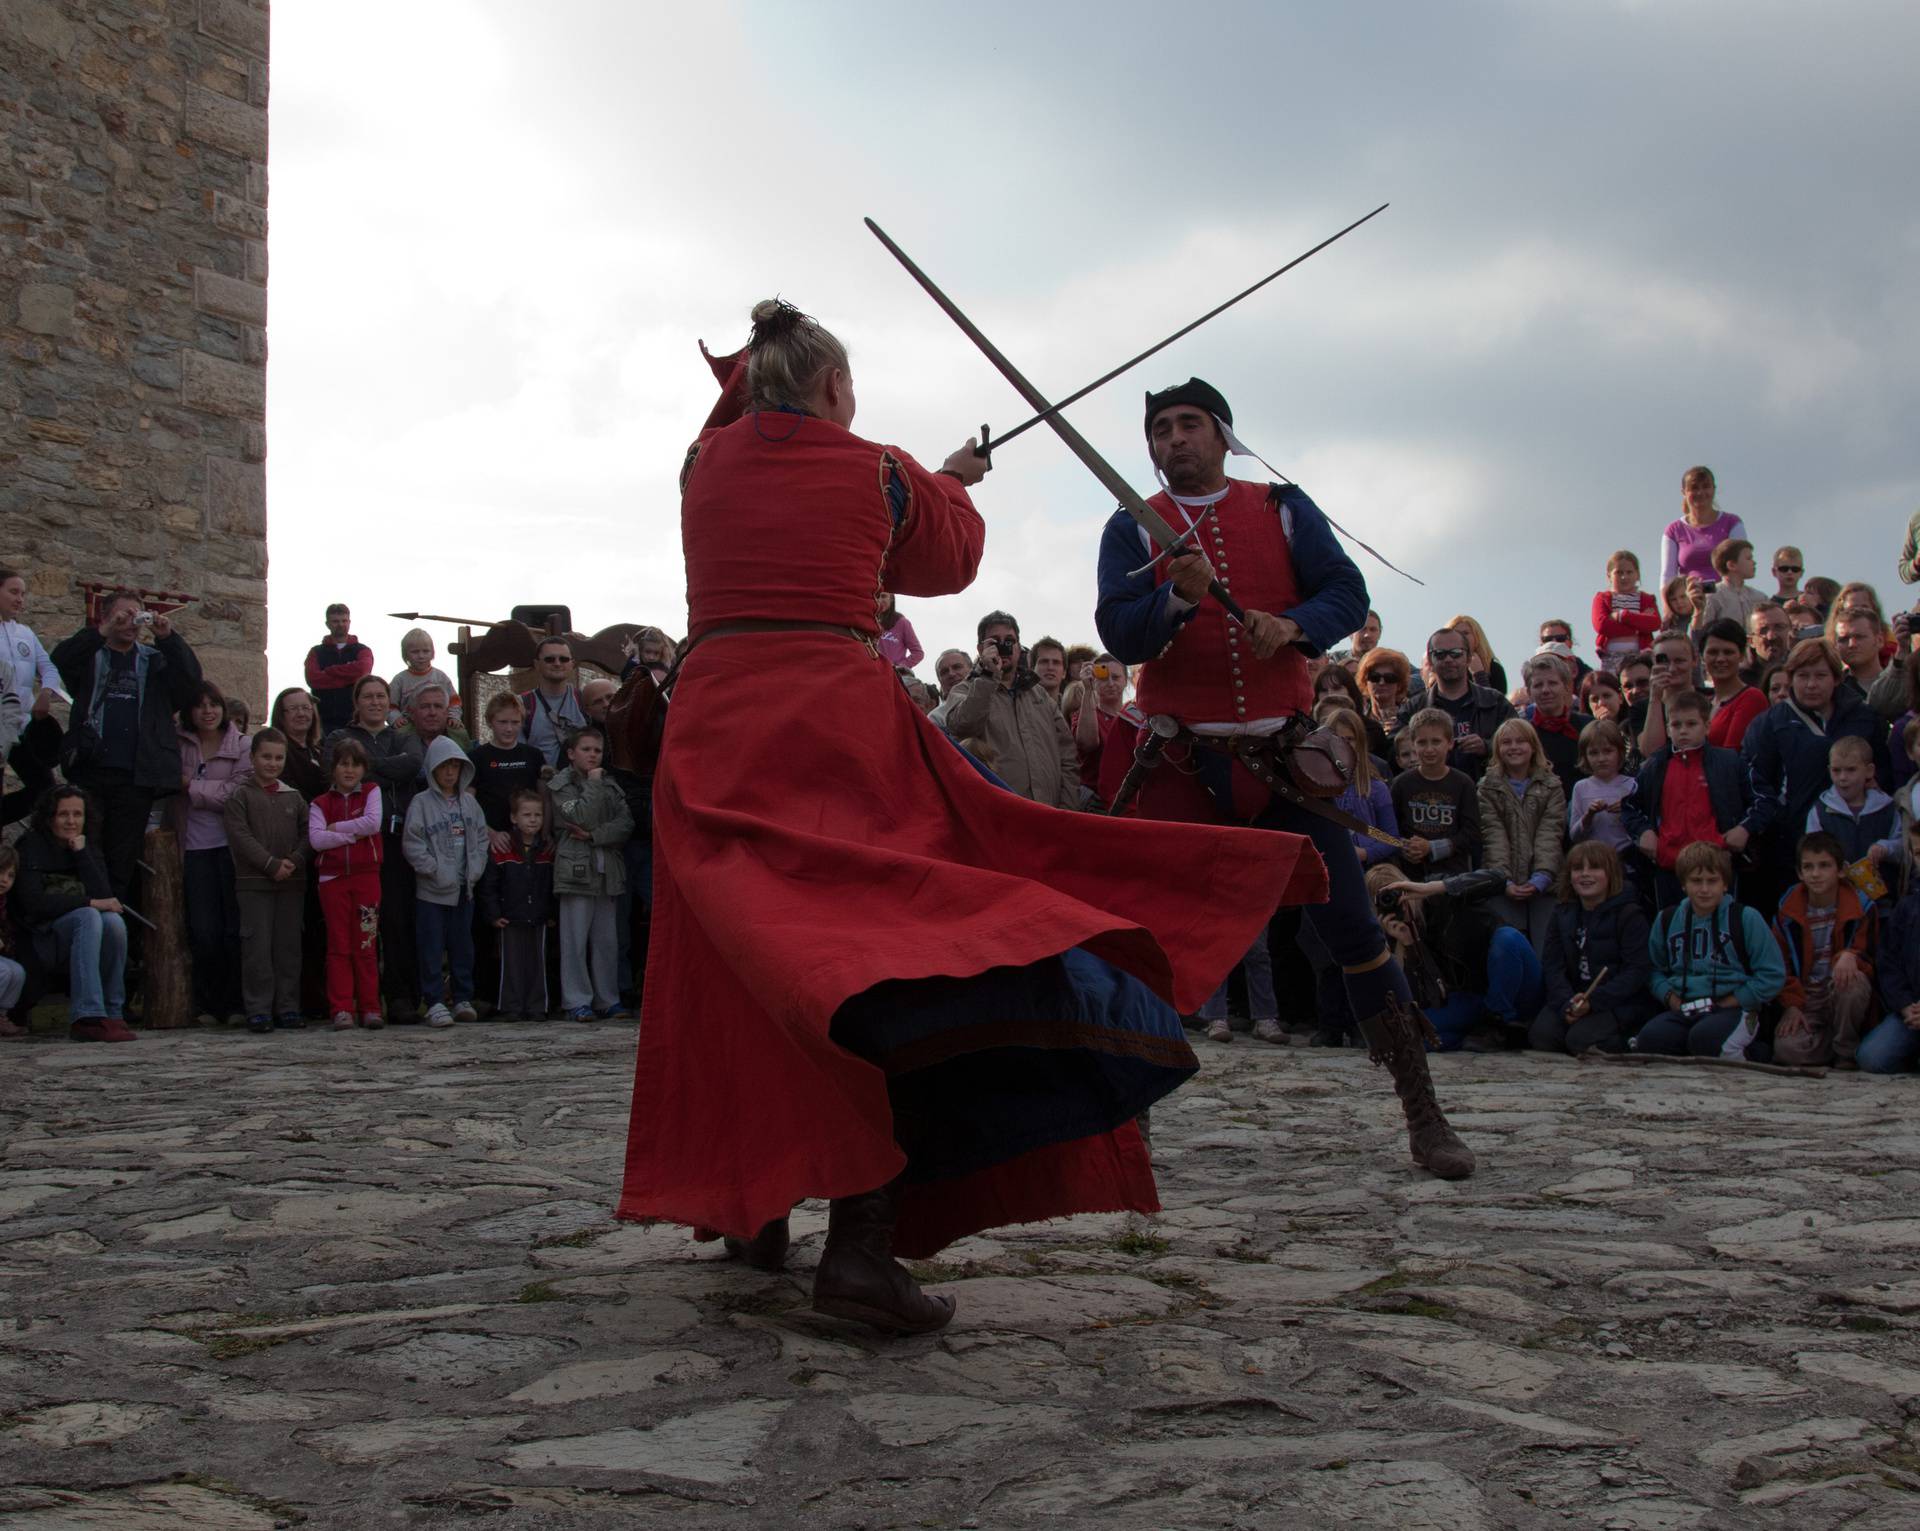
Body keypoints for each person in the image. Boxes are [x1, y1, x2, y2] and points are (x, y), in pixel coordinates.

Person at [621, 309, 1312, 1335]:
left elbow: (762, 453)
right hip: (831, 722)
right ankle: (859, 1242)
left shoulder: (697, 465)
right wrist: (942, 483)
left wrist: (923, 473)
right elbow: (956, 556)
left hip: (715, 723)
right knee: (882, 954)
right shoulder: (878, 471)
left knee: (738, 958)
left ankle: (753, 1206)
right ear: (834, 392)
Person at [1097, 377, 1474, 1178]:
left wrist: (1296, 625)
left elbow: (1347, 592)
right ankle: (1129, 1127)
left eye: (1189, 424)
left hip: (1285, 764)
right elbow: (1118, 630)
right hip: (1179, 762)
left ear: (1223, 434)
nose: (1173, 440)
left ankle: (1423, 1112)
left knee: (1355, 933)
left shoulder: (1282, 507)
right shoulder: (1132, 528)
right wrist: (1174, 599)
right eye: (1160, 429)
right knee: (1146, 941)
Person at [51, 592, 203, 905]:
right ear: (107, 617)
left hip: (137, 776)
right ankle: (87, 914)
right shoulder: (91, 657)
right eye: (122, 615)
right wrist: (104, 631)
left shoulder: (153, 659)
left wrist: (168, 638)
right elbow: (60, 661)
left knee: (122, 858)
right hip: (91, 769)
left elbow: (190, 682)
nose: (130, 622)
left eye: (136, 615)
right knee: (85, 847)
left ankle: (113, 923)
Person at [1743, 638, 1892, 905]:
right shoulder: (1770, 724)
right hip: (1793, 850)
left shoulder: (1865, 719)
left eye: (1820, 675)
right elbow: (1756, 783)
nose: (1811, 684)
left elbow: (1884, 777)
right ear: (1791, 679)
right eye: (1802, 676)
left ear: (1836, 678)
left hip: (1859, 845)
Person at [323, 675, 424, 1020]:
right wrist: (386, 769)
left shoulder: (404, 737)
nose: (375, 702)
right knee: (351, 930)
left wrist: (365, 765)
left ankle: (399, 999)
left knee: (396, 921)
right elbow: (334, 769)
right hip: (352, 843)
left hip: (394, 842)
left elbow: (411, 764)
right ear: (357, 702)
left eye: (381, 696)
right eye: (368, 696)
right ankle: (351, 1002)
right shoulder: (340, 737)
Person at [1635, 842, 1782, 1058]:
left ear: (1725, 884)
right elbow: (1654, 970)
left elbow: (1772, 975)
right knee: (1650, 1040)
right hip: (1685, 1007)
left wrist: (1730, 1001)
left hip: (1733, 1006)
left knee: (1704, 1039)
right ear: (1684, 884)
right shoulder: (1667, 919)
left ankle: (1754, 1051)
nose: (1704, 889)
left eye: (1712, 881)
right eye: (1696, 881)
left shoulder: (1746, 918)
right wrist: (1670, 998)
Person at [1372, 866, 1542, 1051]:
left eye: (1397, 893)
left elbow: (1499, 878)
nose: (1397, 902)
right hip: (1474, 998)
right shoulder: (1395, 932)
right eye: (1386, 899)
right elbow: (1428, 999)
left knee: (1507, 937)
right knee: (1403, 1036)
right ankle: (1483, 1038)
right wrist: (1409, 944)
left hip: (1513, 983)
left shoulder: (1439, 892)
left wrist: (1434, 888)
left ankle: (1498, 1023)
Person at [14, 785, 133, 1041]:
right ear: (50, 817)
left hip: (86, 936)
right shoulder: (31, 846)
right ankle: (87, 1016)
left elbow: (106, 896)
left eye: (77, 814)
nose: (71, 821)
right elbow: (33, 902)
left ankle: (113, 1013)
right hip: (43, 937)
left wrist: (81, 854)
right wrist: (89, 903)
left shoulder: (88, 847)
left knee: (113, 922)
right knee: (88, 915)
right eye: (63, 814)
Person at [1623, 690, 1756, 909]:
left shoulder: (1729, 762)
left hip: (1716, 867)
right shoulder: (1655, 766)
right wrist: (1644, 832)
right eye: (1676, 725)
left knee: (1720, 931)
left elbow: (1762, 800)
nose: (1683, 731)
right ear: (1667, 729)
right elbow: (1629, 807)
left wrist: (1745, 829)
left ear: (1707, 725)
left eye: (1691, 724)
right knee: (1673, 931)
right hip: (1669, 867)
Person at [942, 612, 1081, 808]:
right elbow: (961, 728)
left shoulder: (1040, 696)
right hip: (998, 816)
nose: (1003, 647)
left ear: (1018, 647)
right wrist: (989, 677)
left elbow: (1068, 757)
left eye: (1010, 641)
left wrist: (1067, 809)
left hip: (1050, 816)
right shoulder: (964, 690)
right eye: (995, 642)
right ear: (981, 648)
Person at [1527, 841, 1653, 1055]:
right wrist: (1566, 1003)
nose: (1585, 874)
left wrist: (1593, 1002)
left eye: (1594, 868)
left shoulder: (1630, 914)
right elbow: (1552, 965)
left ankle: (1629, 1038)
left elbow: (1636, 971)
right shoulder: (1562, 913)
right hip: (1575, 996)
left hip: (1616, 1002)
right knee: (1542, 1037)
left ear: (1610, 873)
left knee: (1580, 1041)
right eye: (1578, 869)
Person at [224, 727, 310, 1034]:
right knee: (257, 948)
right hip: (254, 884)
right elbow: (240, 838)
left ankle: (288, 1007)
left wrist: (294, 861)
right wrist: (270, 864)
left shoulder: (294, 797)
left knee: (288, 948)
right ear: (252, 758)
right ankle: (258, 1009)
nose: (272, 764)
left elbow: (307, 834)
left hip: (291, 884)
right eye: (266, 757)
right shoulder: (240, 796)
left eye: (278, 758)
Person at [172, 680, 247, 1026]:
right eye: (200, 705)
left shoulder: (241, 745)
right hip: (193, 847)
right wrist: (211, 789)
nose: (208, 711)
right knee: (203, 932)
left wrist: (194, 787)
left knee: (234, 929)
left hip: (230, 848)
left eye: (213, 704)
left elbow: (237, 794)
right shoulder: (179, 746)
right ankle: (206, 1004)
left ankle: (234, 1004)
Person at [548, 723, 633, 1022]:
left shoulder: (610, 784)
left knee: (606, 941)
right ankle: (576, 1000)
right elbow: (578, 816)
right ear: (571, 753)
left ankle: (607, 999)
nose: (592, 755)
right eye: (586, 749)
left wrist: (595, 835)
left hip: (606, 868)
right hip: (575, 870)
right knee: (574, 939)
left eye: (597, 750)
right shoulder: (561, 785)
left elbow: (625, 825)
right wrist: (593, 786)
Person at [1770, 831, 1877, 1068]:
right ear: (1799, 873)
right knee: (1787, 1051)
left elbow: (1871, 957)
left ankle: (1845, 1052)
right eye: (1808, 867)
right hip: (1808, 998)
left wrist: (1851, 955)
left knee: (1852, 982)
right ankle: (1829, 1043)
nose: (1816, 874)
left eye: (1824, 866)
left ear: (1840, 870)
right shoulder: (1788, 912)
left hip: (1841, 993)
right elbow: (1779, 965)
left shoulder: (1861, 906)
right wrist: (1792, 1005)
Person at [403, 735, 488, 1028]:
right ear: (433, 769)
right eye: (444, 766)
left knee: (462, 946)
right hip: (432, 892)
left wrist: (475, 870)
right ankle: (435, 1001)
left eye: (455, 766)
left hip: (465, 890)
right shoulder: (421, 803)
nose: (450, 772)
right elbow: (413, 843)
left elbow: (480, 839)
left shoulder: (470, 803)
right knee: (431, 947)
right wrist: (434, 870)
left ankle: (463, 997)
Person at [308, 737, 385, 1030]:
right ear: (333, 768)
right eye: (343, 764)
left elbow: (372, 824)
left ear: (364, 768)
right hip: (333, 880)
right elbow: (317, 839)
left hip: (367, 878)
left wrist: (338, 830)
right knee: (338, 945)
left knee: (366, 942)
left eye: (355, 765)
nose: (349, 771)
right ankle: (341, 1007)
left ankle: (370, 1007)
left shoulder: (371, 792)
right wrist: (353, 835)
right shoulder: (320, 803)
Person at [1477, 718, 1565, 954]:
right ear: (1497, 749)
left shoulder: (1551, 786)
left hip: (1545, 885)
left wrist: (1541, 877)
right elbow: (1493, 835)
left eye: (1521, 741)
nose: (1514, 747)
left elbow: (1550, 833)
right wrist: (1503, 880)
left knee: (1545, 948)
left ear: (1533, 746)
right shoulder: (1487, 787)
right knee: (1509, 947)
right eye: (1506, 742)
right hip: (1503, 883)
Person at [478, 788, 555, 1022]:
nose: (533, 820)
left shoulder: (547, 850)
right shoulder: (503, 849)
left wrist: (551, 913)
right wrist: (493, 914)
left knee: (537, 964)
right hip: (510, 917)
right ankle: (510, 1006)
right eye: (527, 815)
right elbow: (489, 886)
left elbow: (552, 886)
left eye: (538, 815)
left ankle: (536, 1007)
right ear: (514, 818)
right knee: (511, 964)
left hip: (538, 917)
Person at [0, 567, 65, 828]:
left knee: (45, 788)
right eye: (13, 592)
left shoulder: (25, 633)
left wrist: (46, 693)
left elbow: (48, 668)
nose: (20, 599)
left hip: (21, 727)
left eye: (23, 594)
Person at [1857, 821, 1920, 1073]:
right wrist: (1906, 1005)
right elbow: (1888, 962)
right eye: (1917, 853)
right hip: (1912, 1010)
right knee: (1872, 1057)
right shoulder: (1907, 907)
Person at [1411, 628, 1515, 781]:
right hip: (1432, 794)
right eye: (1440, 654)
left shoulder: (1495, 702)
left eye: (1456, 653)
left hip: (1487, 794)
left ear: (1468, 658)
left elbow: (1523, 742)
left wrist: (1486, 746)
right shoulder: (1414, 707)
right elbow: (1396, 751)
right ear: (1431, 662)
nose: (1448, 659)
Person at [1392, 708, 1482, 880]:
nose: (1429, 749)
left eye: (1436, 742)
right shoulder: (1401, 784)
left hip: (1453, 875)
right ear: (1413, 743)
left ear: (1450, 743)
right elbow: (1389, 829)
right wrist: (1404, 847)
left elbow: (1472, 834)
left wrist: (1432, 848)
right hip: (1411, 874)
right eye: (1422, 742)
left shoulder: (1463, 783)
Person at [1807, 735, 1901, 899]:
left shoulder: (1887, 808)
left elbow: (1904, 849)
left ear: (1869, 771)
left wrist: (1886, 848)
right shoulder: (1820, 811)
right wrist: (1833, 862)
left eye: (1851, 770)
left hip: (1883, 902)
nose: (1843, 778)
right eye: (1836, 770)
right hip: (1838, 902)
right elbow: (1811, 851)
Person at [469, 692, 547, 852]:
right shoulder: (477, 757)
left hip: (530, 840)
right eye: (502, 722)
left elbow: (545, 799)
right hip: (491, 841)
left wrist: (546, 834)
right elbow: (467, 803)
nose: (509, 728)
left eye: (515, 722)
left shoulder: (534, 755)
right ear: (490, 722)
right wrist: (489, 833)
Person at [1660, 465, 1748, 586]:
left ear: (1714, 489)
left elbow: (1741, 567)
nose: (1700, 492)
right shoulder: (1673, 530)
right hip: (1688, 599)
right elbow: (1668, 575)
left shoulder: (1732, 523)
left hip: (1725, 598)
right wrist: (1667, 604)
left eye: (1706, 486)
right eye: (1694, 488)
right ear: (1684, 492)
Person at [1519, 653, 1591, 800]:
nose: (1545, 690)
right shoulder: (1522, 735)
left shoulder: (1587, 727)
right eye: (1538, 685)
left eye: (1552, 683)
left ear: (1566, 687)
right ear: (1529, 692)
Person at [304, 603, 374, 734]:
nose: (340, 624)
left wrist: (330, 671)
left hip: (355, 720)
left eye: (344, 620)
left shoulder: (363, 650)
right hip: (323, 721)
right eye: (335, 621)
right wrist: (349, 677)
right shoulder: (316, 652)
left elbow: (363, 670)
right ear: (328, 624)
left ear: (349, 622)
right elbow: (313, 679)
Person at [1699, 619, 1767, 752]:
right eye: (1713, 652)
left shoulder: (1751, 698)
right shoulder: (1705, 702)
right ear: (1702, 657)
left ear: (1741, 656)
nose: (1720, 659)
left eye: (1728, 652)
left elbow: (1732, 755)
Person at [1568, 719, 1634, 855]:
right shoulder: (1581, 788)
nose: (1601, 758)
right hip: (1594, 860)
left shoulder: (1632, 785)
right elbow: (1574, 836)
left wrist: (1627, 810)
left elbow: (1643, 832)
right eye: (1593, 753)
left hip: (1629, 862)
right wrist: (1589, 816)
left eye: (1608, 751)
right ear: (1585, 756)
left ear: (1620, 752)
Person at [520, 637, 586, 769]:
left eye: (564, 659)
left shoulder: (584, 700)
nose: (557, 663)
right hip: (540, 782)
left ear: (572, 664)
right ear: (537, 664)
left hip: (580, 784)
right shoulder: (522, 704)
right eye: (550, 659)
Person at [1635, 629, 1700, 762]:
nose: (1671, 668)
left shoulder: (1710, 699)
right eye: (1663, 661)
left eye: (1679, 661)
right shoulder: (1641, 708)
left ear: (1694, 660)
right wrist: (1655, 699)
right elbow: (1651, 752)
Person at [1592, 550, 1662, 672]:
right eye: (1619, 573)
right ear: (1609, 575)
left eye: (1629, 572)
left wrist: (1622, 616)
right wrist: (1639, 625)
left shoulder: (1646, 599)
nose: (1624, 577)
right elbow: (1601, 625)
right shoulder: (1602, 598)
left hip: (1640, 656)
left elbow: (1654, 623)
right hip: (1611, 657)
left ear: (1637, 574)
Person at [1836, 609, 1907, 722]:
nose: (1851, 645)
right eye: (1843, 639)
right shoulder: (1832, 689)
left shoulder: (1906, 680)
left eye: (1859, 637)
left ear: (1879, 640)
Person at [390, 627, 462, 730]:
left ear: (432, 653)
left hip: (439, 723)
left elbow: (454, 701)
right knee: (402, 735)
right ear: (405, 655)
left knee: (459, 733)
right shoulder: (400, 680)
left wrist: (454, 717)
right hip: (410, 725)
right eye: (415, 652)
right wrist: (396, 718)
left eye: (425, 651)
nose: (421, 656)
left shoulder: (440, 677)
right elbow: (390, 705)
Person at [1702, 539, 1765, 629]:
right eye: (1748, 558)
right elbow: (1704, 629)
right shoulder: (1712, 594)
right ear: (1731, 565)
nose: (1754, 562)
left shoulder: (1759, 597)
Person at [1356, 647, 1413, 739]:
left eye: (1389, 678)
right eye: (1375, 677)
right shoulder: (1357, 719)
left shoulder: (1410, 717)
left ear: (1399, 684)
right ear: (1365, 681)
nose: (1382, 683)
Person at [0, 844, 25, 1038]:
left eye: (10, 876)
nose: (4, 880)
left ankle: (2, 1015)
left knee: (17, 972)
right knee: (4, 971)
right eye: (1, 873)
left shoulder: (5, 903)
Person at [1746, 602, 1797, 683]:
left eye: (1779, 627)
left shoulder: (1802, 673)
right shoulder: (1739, 682)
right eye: (1763, 630)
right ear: (1751, 641)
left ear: (1791, 632)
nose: (1771, 637)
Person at [873, 593, 924, 672]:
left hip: (892, 675)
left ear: (892, 599)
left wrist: (899, 667)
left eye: (883, 596)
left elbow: (918, 653)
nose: (879, 600)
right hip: (871, 672)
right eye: (877, 596)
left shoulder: (902, 622)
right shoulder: (867, 621)